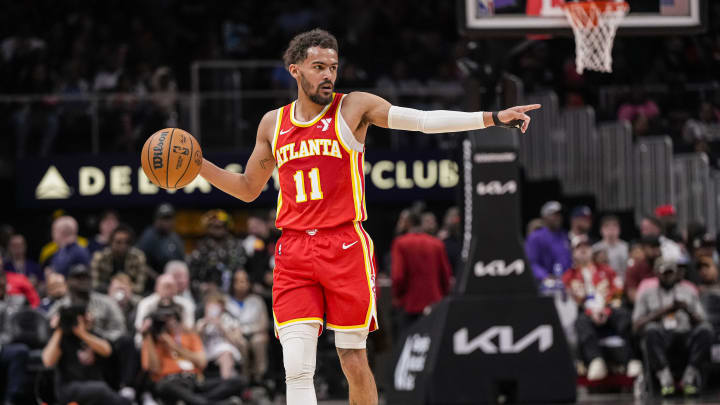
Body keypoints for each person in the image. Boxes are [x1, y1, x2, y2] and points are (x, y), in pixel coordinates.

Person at [198, 29, 540, 405]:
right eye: (318, 67)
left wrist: (490, 118)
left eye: (333, 66)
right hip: (293, 249)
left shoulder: (353, 107)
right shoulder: (272, 124)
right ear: (295, 71)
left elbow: (423, 120)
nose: (328, 74)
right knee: (296, 366)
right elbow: (248, 187)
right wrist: (199, 165)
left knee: (353, 358)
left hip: (344, 244)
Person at [632, 259, 713, 396]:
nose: (668, 276)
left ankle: (689, 377)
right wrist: (664, 311)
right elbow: (636, 325)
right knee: (651, 329)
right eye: (665, 273)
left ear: (676, 273)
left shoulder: (688, 290)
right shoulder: (646, 293)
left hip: (685, 334)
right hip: (662, 336)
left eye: (671, 273)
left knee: (706, 329)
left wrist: (687, 310)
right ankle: (666, 380)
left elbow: (702, 320)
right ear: (657, 273)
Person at [562, 237, 637, 381]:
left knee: (624, 315)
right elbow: (570, 300)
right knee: (580, 321)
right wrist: (591, 312)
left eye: (587, 247)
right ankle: (595, 361)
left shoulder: (606, 271)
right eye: (579, 247)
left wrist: (606, 310)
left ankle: (631, 360)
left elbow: (617, 291)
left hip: (608, 308)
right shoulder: (568, 276)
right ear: (573, 252)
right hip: (584, 311)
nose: (583, 250)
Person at [140, 302, 244, 405]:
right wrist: (147, 335)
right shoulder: (151, 340)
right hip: (169, 381)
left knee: (239, 381)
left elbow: (202, 362)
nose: (170, 323)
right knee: (167, 386)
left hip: (193, 380)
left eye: (172, 318)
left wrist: (174, 346)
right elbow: (154, 369)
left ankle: (197, 402)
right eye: (164, 320)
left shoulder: (189, 336)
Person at [42, 301, 130, 405]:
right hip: (69, 388)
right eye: (87, 314)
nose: (90, 317)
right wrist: (60, 328)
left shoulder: (92, 335)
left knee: (123, 401)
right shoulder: (61, 338)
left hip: (95, 387)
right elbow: (48, 361)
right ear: (80, 318)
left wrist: (82, 334)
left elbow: (107, 350)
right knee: (102, 390)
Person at [391, 211, 453, 335]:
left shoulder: (401, 243)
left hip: (410, 305)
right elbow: (446, 276)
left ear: (408, 223)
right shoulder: (437, 244)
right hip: (435, 303)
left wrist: (398, 298)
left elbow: (398, 277)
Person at [226, 268, 270, 383]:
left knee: (258, 341)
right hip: (234, 336)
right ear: (232, 283)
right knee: (241, 343)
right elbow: (224, 323)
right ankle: (244, 378)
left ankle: (260, 378)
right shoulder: (226, 302)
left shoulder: (257, 300)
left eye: (245, 281)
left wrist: (246, 330)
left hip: (256, 333)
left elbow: (263, 323)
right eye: (238, 281)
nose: (242, 284)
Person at [189, 209, 247, 294]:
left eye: (222, 226)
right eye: (214, 226)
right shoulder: (200, 248)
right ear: (208, 228)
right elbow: (192, 278)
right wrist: (203, 287)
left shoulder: (237, 246)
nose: (218, 229)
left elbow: (244, 270)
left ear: (227, 227)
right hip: (209, 295)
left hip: (235, 293)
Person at [134, 274, 195, 343]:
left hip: (177, 341)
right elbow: (139, 327)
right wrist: (150, 324)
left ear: (176, 288)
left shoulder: (185, 305)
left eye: (171, 287)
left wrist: (175, 324)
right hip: (152, 341)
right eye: (165, 287)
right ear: (157, 287)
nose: (168, 290)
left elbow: (190, 328)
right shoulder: (146, 304)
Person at [196, 292, 243, 379]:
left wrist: (221, 326)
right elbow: (195, 341)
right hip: (206, 351)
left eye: (216, 306)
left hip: (226, 349)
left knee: (226, 354)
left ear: (222, 307)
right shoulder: (201, 322)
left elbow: (236, 342)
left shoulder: (229, 320)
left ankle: (226, 382)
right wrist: (203, 327)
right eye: (210, 306)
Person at [91, 224, 149, 294]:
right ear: (111, 242)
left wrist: (124, 287)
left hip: (131, 294)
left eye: (127, 242)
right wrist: (114, 287)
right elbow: (94, 284)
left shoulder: (138, 257)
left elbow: (140, 287)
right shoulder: (100, 257)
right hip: (105, 293)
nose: (123, 246)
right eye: (118, 242)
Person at [0, 270, 30, 405]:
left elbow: (10, 332)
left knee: (20, 351)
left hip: (4, 347)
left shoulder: (17, 300)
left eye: (2, 281)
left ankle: (10, 400)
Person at [525, 201, 572, 285]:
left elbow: (568, 259)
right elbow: (531, 263)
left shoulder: (565, 235)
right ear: (545, 217)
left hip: (566, 281)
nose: (558, 217)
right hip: (545, 283)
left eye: (560, 215)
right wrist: (545, 276)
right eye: (554, 215)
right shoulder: (536, 237)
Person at [137, 203, 185, 275]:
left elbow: (182, 262)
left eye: (169, 218)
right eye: (164, 218)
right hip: (155, 281)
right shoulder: (148, 237)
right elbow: (140, 263)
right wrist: (158, 278)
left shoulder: (175, 238)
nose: (167, 222)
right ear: (156, 220)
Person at [625, 236, 662, 305]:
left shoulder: (663, 265)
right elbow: (632, 296)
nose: (657, 251)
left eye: (658, 247)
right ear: (644, 249)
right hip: (643, 306)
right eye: (653, 247)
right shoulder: (634, 268)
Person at [592, 215, 630, 280]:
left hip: (623, 283)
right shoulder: (595, 248)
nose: (611, 229)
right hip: (602, 284)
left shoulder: (626, 247)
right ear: (601, 230)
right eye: (607, 226)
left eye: (614, 225)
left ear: (619, 229)